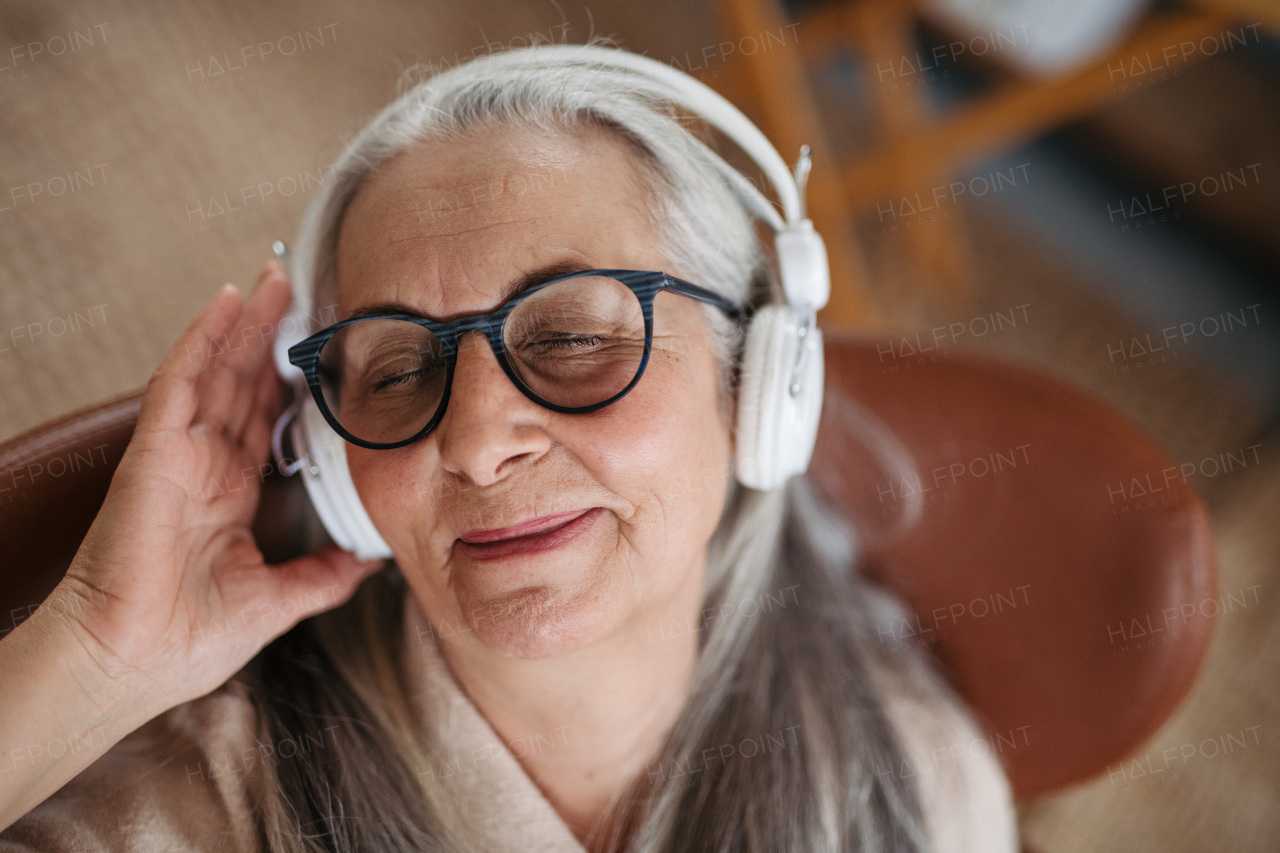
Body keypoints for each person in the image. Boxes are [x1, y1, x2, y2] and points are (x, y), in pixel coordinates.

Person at [0, 44, 1016, 852]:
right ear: (329, 458)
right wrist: (99, 654)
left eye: (573, 337)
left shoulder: (920, 787)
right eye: (396, 372)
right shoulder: (199, 808)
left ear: (757, 379)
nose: (478, 443)